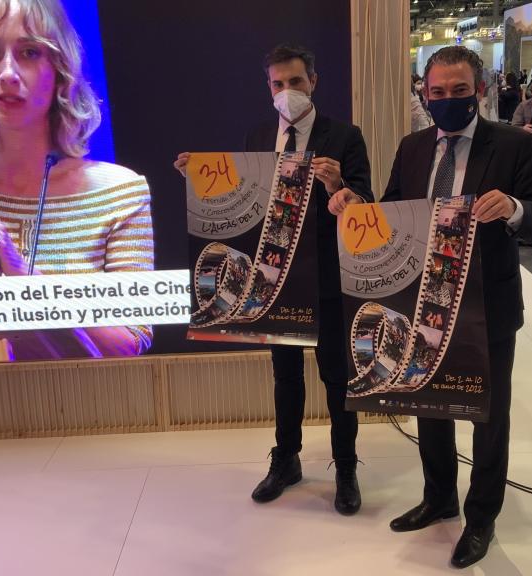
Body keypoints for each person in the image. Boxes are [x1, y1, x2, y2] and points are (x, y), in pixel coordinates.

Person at [328, 45, 532, 570]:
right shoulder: (411, 147)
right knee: (428, 403)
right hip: (420, 301)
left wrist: (515, 209)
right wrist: (352, 202)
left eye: (459, 91)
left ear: (479, 89)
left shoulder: (513, 145)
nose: (447, 100)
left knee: (488, 415)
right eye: (436, 92)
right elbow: (390, 213)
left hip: (487, 304)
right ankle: (439, 497)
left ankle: (480, 517)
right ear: (423, 94)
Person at [175, 44, 372, 515]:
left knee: (337, 378)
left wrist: (339, 187)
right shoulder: (260, 132)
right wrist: (201, 177)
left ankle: (345, 466)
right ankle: (286, 459)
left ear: (314, 82)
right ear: (269, 87)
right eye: (277, 84)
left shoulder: (344, 136)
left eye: (296, 82)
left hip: (325, 274)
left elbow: (367, 201)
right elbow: (247, 199)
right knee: (285, 376)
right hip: (274, 277)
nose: (287, 92)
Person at [0, 0, 154, 359]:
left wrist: (22, 276)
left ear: (60, 69)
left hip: (90, 408)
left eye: (29, 52)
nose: (7, 73)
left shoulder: (120, 192)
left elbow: (129, 344)